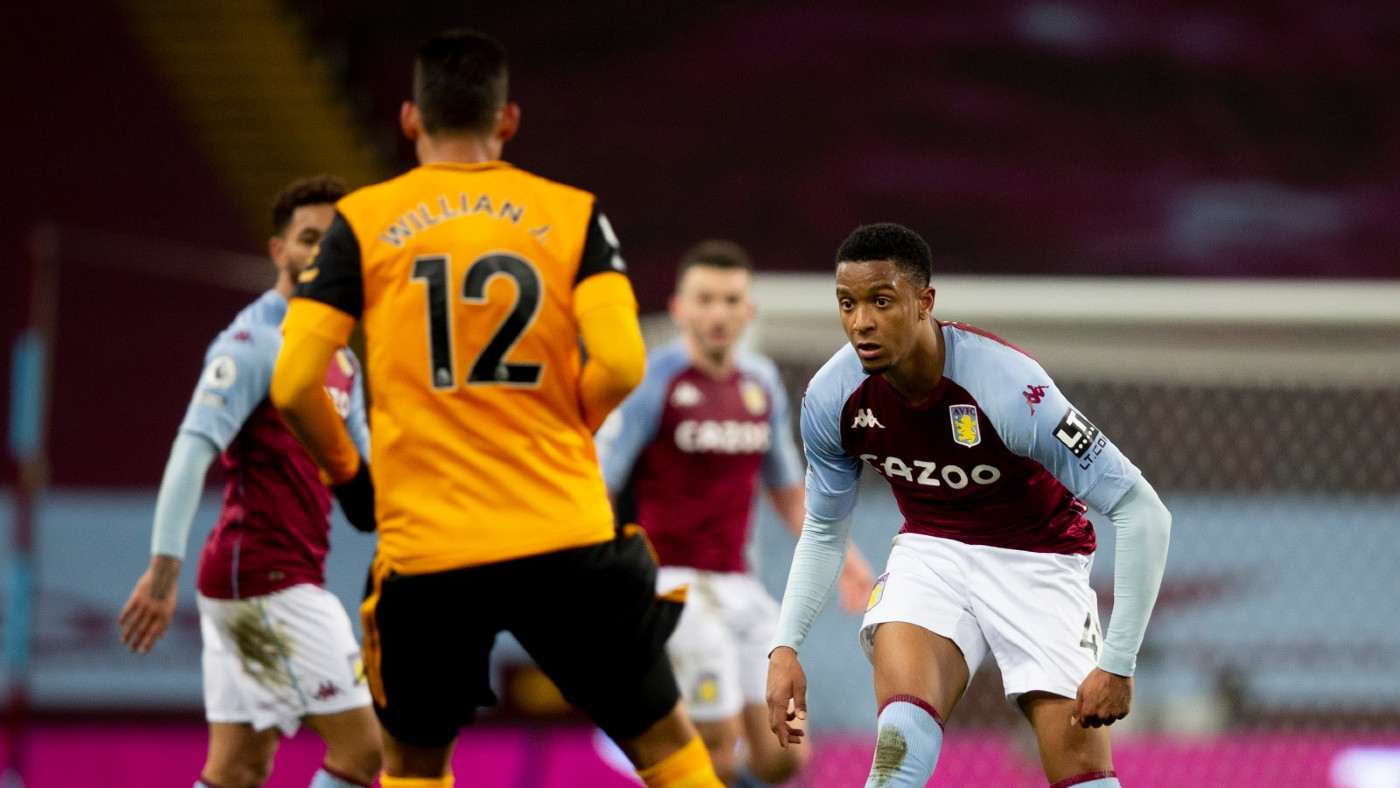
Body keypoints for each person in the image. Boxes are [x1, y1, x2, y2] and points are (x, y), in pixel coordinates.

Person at [268, 29, 725, 788]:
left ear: (411, 119)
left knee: (414, 764)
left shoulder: (362, 221)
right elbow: (622, 362)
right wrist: (564, 428)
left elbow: (292, 385)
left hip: (429, 549)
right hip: (565, 532)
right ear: (507, 120)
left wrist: (350, 478)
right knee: (665, 746)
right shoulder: (573, 214)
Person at [765, 223, 1172, 788]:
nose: (861, 322)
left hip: (1040, 559)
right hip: (932, 552)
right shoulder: (832, 398)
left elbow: (1143, 511)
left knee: (1084, 778)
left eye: (881, 301)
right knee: (896, 756)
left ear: (924, 302)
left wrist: (1119, 664)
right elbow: (824, 530)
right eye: (847, 303)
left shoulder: (1009, 388)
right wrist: (785, 647)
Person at [117, 175, 382, 788]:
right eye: (308, 239)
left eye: (334, 244)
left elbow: (368, 490)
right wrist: (162, 573)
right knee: (366, 750)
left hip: (276, 577)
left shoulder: (342, 359)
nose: (320, 254)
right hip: (264, 580)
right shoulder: (252, 341)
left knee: (238, 768)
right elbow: (191, 452)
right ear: (278, 250)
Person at [595, 239, 874, 787]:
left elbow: (788, 492)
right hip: (674, 585)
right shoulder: (654, 379)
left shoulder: (760, 382)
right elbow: (602, 481)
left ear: (749, 310)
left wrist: (848, 561)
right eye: (705, 300)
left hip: (740, 587)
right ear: (679, 309)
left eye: (730, 300)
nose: (718, 313)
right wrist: (607, 575)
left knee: (784, 752)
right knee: (715, 746)